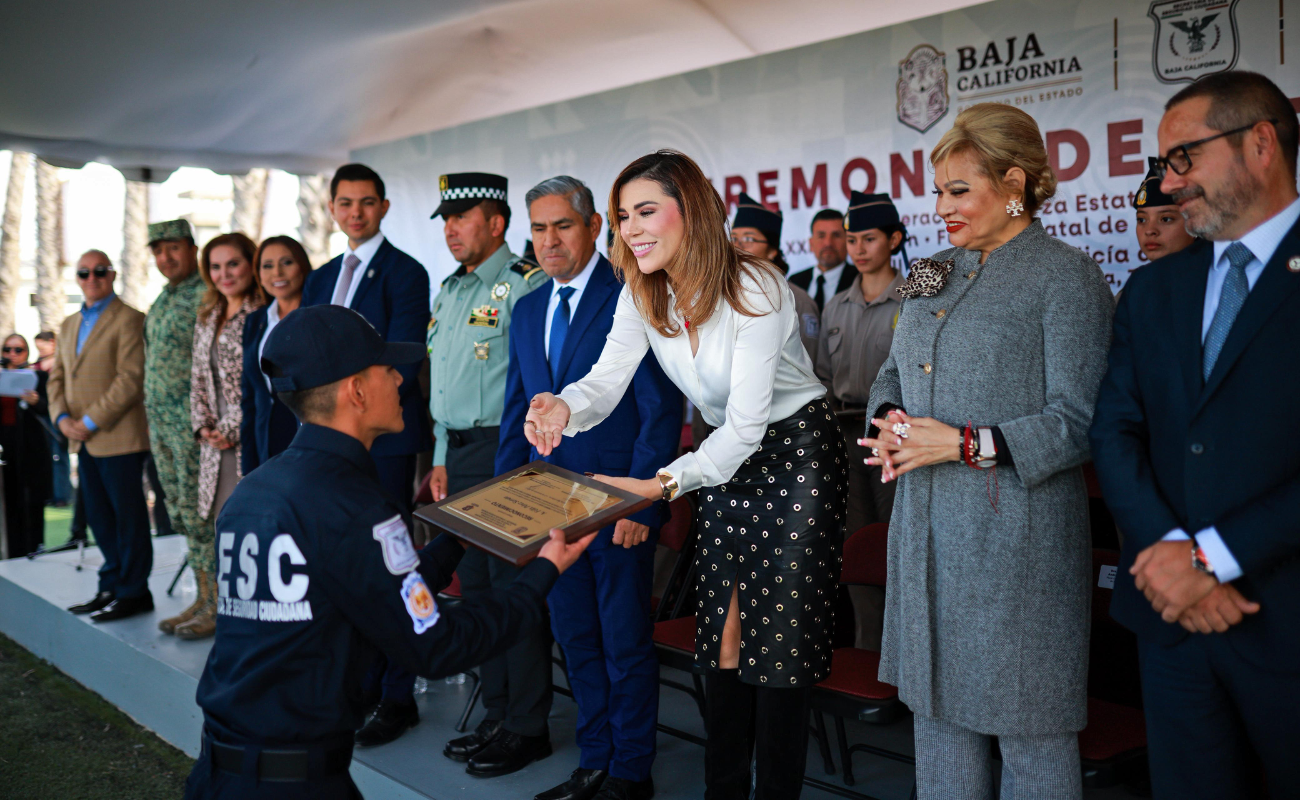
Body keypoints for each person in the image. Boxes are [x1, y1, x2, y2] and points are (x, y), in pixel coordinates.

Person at [526, 150, 846, 800]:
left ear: (691, 210)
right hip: (717, 458)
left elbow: (749, 429)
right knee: (722, 638)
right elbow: (605, 382)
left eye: (646, 211)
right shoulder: (644, 292)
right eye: (622, 216)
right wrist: (564, 405)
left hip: (794, 457)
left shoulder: (757, 286)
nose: (632, 229)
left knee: (776, 652)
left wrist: (659, 486)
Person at [183, 304, 596, 800]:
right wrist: (543, 572)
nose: (401, 378)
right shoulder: (355, 504)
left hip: (220, 773)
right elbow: (436, 644)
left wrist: (461, 537)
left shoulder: (256, 490)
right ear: (355, 390)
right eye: (386, 369)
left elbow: (366, 585)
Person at [862, 103, 1113, 800]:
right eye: (937, 189)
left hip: (1016, 547)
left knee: (1031, 731)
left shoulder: (1067, 277)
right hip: (925, 533)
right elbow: (892, 371)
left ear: (1014, 183)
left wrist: (968, 443)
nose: (939, 206)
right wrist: (887, 419)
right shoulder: (928, 272)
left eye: (957, 190)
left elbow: (1080, 419)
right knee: (936, 723)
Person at [1090, 71, 1300, 800]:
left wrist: (1213, 556)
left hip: (1284, 619)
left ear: (1261, 143)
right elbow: (1114, 430)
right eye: (1162, 164)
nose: (1171, 182)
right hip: (1173, 625)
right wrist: (1170, 554)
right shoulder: (1153, 291)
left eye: (1185, 158)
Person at [500, 176, 681, 800]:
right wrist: (505, 506)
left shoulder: (634, 293)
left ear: (594, 227)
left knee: (623, 640)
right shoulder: (526, 309)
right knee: (576, 638)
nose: (549, 241)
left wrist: (642, 503)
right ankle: (594, 761)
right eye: (538, 228)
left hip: (614, 503)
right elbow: (515, 411)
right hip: (547, 506)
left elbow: (660, 409)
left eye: (563, 226)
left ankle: (630, 773)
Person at [302, 163, 432, 735]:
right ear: (332, 208)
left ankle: (398, 696)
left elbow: (402, 351)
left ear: (383, 207)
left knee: (392, 565)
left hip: (384, 440)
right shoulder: (321, 276)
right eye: (345, 203)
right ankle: (356, 685)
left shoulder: (406, 272)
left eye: (366, 202)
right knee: (341, 561)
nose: (356, 212)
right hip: (330, 445)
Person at [426, 171, 550, 769]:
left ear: (496, 223)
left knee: (510, 590)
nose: (450, 229)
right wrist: (441, 461)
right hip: (458, 454)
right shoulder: (450, 290)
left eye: (462, 217)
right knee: (475, 589)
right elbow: (443, 387)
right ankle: (497, 713)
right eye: (445, 219)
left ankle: (528, 725)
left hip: (507, 454)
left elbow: (535, 385)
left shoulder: (523, 285)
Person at [815, 191, 906, 652]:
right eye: (852, 239)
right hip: (845, 434)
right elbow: (823, 380)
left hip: (894, 440)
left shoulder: (912, 302)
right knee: (855, 546)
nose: (858, 249)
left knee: (896, 546)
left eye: (869, 238)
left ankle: (902, 659)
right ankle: (870, 653)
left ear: (894, 239)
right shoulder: (836, 306)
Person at [167, 233, 265, 640]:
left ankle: (244, 615)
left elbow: (261, 380)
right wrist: (202, 424)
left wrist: (230, 427)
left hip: (247, 439)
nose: (224, 274)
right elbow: (197, 378)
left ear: (250, 264)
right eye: (216, 266)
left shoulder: (261, 313)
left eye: (233, 264)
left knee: (247, 528)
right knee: (215, 526)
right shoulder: (209, 313)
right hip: (211, 445)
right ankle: (215, 605)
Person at [49, 250, 153, 620]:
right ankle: (109, 586)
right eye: (84, 272)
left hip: (118, 437)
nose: (91, 278)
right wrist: (62, 418)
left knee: (129, 518)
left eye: (99, 271)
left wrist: (89, 421)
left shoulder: (130, 319)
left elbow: (130, 379)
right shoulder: (67, 325)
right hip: (81, 438)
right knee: (99, 519)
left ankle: (135, 591)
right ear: (76, 278)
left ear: (112, 274)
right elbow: (57, 377)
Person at [144, 218, 207, 615]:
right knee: (180, 512)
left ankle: (215, 603)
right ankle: (202, 597)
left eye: (174, 248)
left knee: (200, 516)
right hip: (163, 428)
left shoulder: (207, 293)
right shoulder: (165, 297)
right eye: (158, 251)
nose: (166, 258)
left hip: (192, 428)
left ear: (191, 249)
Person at [241, 236, 311, 473]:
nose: (277, 273)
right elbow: (250, 397)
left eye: (287, 262)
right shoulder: (255, 321)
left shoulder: (318, 317)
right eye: (267, 265)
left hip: (309, 438)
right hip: (267, 442)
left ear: (302, 265)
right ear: (258, 274)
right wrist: (248, 466)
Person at [729, 192, 819, 357]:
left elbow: (808, 364)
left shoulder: (797, 300)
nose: (738, 247)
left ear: (772, 250)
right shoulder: (725, 294)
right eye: (734, 239)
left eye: (749, 239)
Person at [1, 334, 50, 557]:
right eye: (7, 349)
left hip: (31, 447)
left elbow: (50, 407)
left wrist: (36, 401)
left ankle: (34, 547)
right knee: (8, 499)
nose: (12, 354)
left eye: (18, 350)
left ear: (26, 352)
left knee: (32, 500)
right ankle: (11, 550)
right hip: (5, 446)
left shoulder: (38, 376)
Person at [1133, 156, 1197, 264]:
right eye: (1141, 220)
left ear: (1195, 222)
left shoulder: (1215, 276)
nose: (1149, 231)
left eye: (1166, 219)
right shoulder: (1141, 279)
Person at [787, 209, 853, 311]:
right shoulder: (795, 281)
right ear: (811, 243)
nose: (828, 243)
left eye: (836, 235)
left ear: (847, 241)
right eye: (821, 236)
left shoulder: (860, 280)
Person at [33, 330, 70, 507]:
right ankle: (50, 493)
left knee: (59, 457)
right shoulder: (36, 366)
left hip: (59, 416)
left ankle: (61, 495)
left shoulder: (61, 362)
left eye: (42, 347)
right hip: (43, 416)